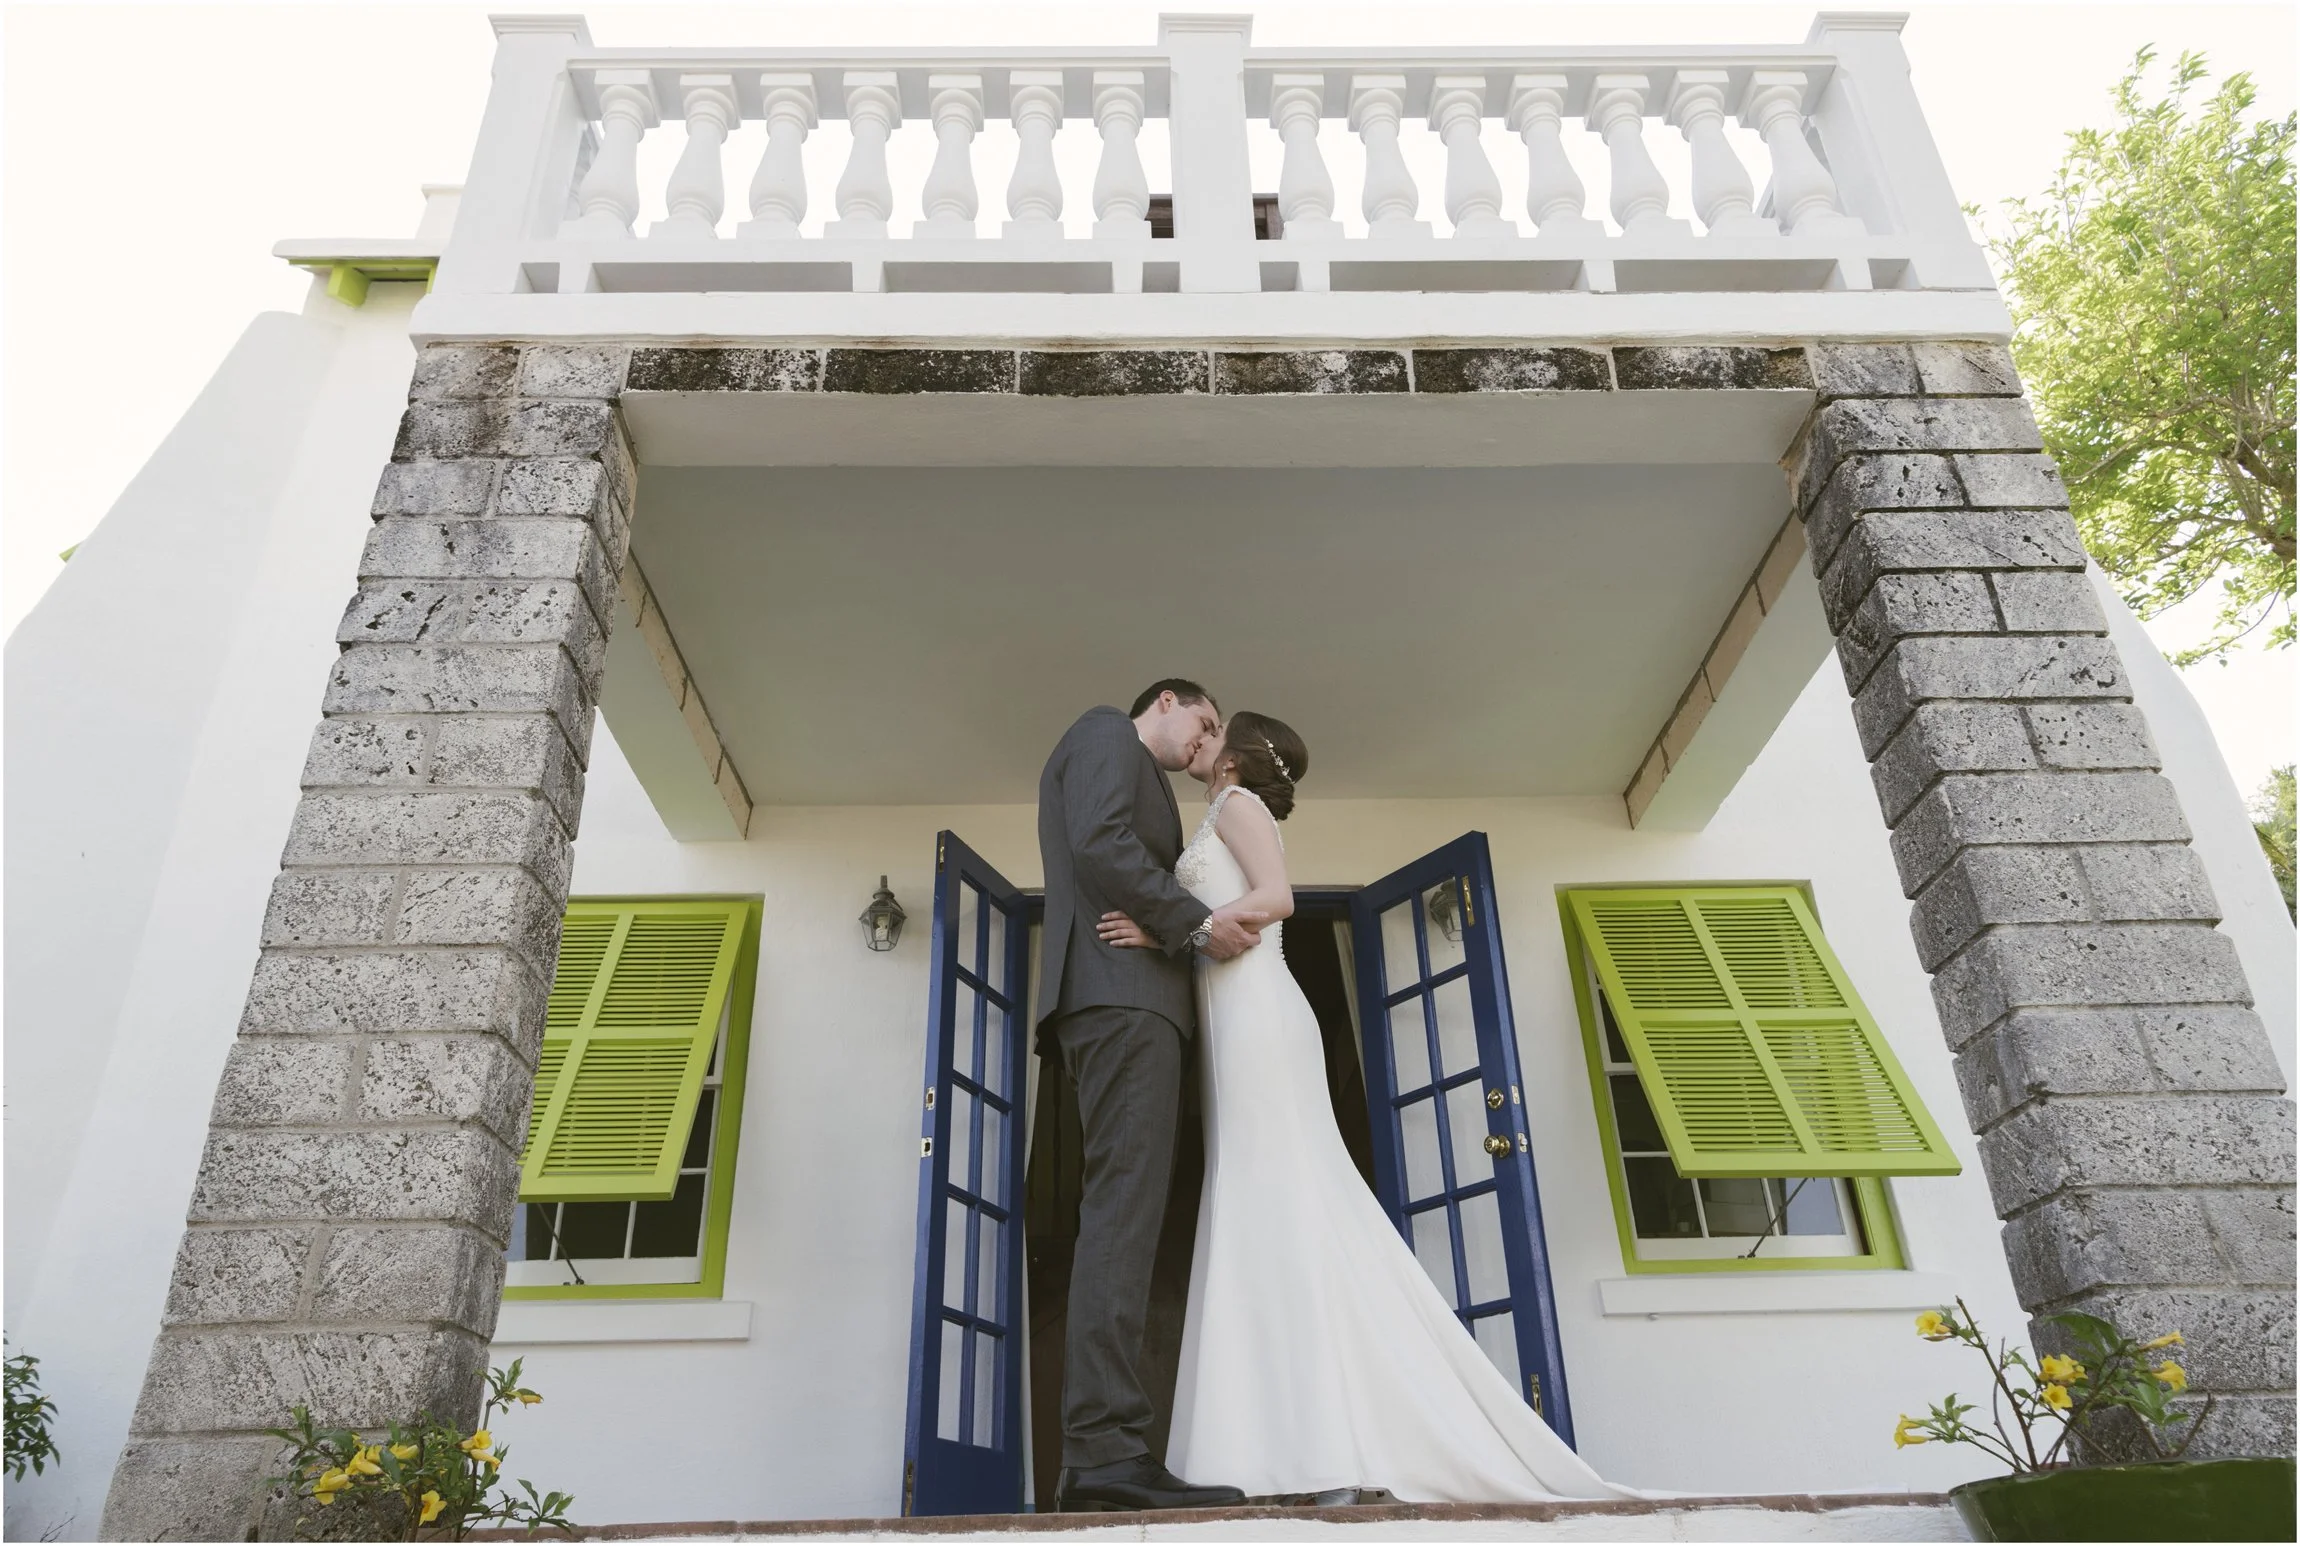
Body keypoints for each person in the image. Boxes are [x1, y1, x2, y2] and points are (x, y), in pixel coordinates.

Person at [1095, 711, 1637, 1504]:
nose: (1201, 739)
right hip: (1229, 1026)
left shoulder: (1237, 809)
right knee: (1262, 1204)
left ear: (1237, 756)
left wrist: (1169, 931)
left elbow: (1276, 900)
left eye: (1215, 731)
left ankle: (1328, 1448)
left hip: (1259, 1023)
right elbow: (1212, 928)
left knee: (1278, 1198)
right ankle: (1281, 1448)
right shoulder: (1215, 813)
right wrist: (1165, 937)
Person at [1034, 681, 1260, 1513]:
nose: (1205, 742)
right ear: (1166, 701)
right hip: (1121, 1001)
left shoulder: (1146, 775)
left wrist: (1164, 919)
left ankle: (1111, 1447)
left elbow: (1117, 860)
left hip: (1133, 1001)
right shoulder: (1103, 733)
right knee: (1122, 1214)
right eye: (1203, 723)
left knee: (1127, 1214)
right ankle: (1102, 1455)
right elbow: (1099, 841)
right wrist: (1194, 925)